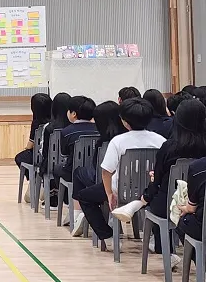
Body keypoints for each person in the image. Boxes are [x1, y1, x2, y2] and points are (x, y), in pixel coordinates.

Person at [111, 99, 206, 263]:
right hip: (200, 203)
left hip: (170, 202)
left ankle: (166, 252)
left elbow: (158, 182)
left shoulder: (169, 147)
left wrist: (150, 190)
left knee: (156, 199)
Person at [76, 98, 166, 246]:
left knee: (84, 197)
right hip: (151, 192)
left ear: (124, 121)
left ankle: (108, 237)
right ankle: (154, 238)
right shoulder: (161, 140)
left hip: (121, 191)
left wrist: (109, 194)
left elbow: (106, 172)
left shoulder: (118, 141)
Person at [70, 100, 125, 236]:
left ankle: (79, 216)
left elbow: (100, 170)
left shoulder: (104, 142)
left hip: (108, 186)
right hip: (135, 186)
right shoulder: (126, 137)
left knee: (79, 174)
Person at [14, 93, 52, 201]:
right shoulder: (57, 121)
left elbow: (31, 144)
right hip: (56, 156)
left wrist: (26, 149)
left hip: (40, 156)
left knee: (20, 158)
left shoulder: (37, 123)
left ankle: (35, 181)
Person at [55, 96, 97, 183]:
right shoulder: (99, 129)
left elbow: (64, 153)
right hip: (95, 171)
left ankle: (62, 195)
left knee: (57, 168)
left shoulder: (66, 132)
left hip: (72, 172)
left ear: (73, 114)